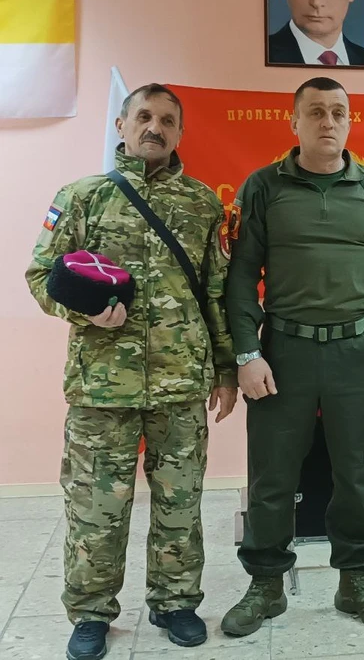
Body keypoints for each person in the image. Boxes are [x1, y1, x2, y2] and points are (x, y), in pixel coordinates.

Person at [25, 84, 238, 660]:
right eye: (144, 116)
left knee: (179, 504)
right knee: (96, 506)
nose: (154, 128)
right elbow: (41, 276)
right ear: (122, 124)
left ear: (180, 132)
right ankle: (91, 612)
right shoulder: (82, 197)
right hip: (102, 386)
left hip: (181, 383)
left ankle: (175, 602)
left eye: (167, 120)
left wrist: (225, 371)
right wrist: (86, 311)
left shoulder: (202, 204)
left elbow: (217, 294)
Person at [221, 76, 364, 636]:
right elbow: (241, 278)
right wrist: (246, 353)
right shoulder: (262, 187)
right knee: (272, 476)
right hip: (282, 352)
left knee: (358, 475)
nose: (328, 121)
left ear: (350, 121)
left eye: (338, 112)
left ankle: (356, 580)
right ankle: (265, 586)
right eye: (315, 111)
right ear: (294, 121)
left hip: (356, 353)